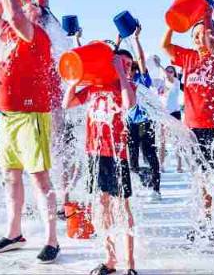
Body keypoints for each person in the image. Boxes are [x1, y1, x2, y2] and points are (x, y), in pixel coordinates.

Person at [0, 0, 60, 263]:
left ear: (39, 13)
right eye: (23, 0)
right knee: (11, 176)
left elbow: (13, 14)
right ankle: (14, 232)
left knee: (40, 179)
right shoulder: (7, 33)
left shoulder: (36, 35)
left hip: (31, 116)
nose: (26, 5)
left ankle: (52, 238)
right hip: (7, 116)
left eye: (32, 3)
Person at [162, 5, 214, 246]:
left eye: (202, 34)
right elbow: (165, 47)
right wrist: (173, 24)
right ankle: (203, 223)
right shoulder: (188, 57)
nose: (197, 38)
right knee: (201, 178)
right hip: (195, 129)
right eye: (194, 35)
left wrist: (208, 16)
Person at [63, 49, 139, 275]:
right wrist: (74, 81)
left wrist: (122, 75)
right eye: (121, 63)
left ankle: (131, 264)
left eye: (128, 64)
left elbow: (129, 105)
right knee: (102, 206)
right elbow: (67, 103)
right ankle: (110, 259)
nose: (125, 67)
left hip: (117, 155)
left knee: (122, 208)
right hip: (95, 154)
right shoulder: (95, 87)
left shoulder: (126, 87)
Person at [116, 23, 161, 199]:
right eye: (126, 66)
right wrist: (117, 43)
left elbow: (141, 60)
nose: (129, 70)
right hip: (129, 126)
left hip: (145, 123)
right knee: (132, 163)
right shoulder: (120, 83)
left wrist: (135, 39)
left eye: (132, 68)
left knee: (150, 155)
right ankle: (146, 178)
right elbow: (113, 62)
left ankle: (156, 189)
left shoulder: (141, 80)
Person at [152, 56, 183, 173]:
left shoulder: (176, 82)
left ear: (174, 73)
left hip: (174, 114)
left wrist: (159, 65)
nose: (168, 72)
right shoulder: (160, 82)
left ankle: (179, 165)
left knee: (177, 141)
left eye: (171, 71)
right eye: (167, 70)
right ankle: (161, 165)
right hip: (163, 115)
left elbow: (169, 77)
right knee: (162, 141)